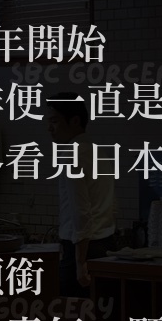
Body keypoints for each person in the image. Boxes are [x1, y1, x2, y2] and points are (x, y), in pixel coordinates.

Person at [46, 91, 117, 296]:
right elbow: (110, 204)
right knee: (101, 309)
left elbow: (80, 211)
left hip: (83, 248)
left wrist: (79, 262)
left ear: (75, 121)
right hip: (105, 243)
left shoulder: (71, 155)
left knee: (74, 310)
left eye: (54, 121)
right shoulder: (98, 152)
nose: (49, 128)